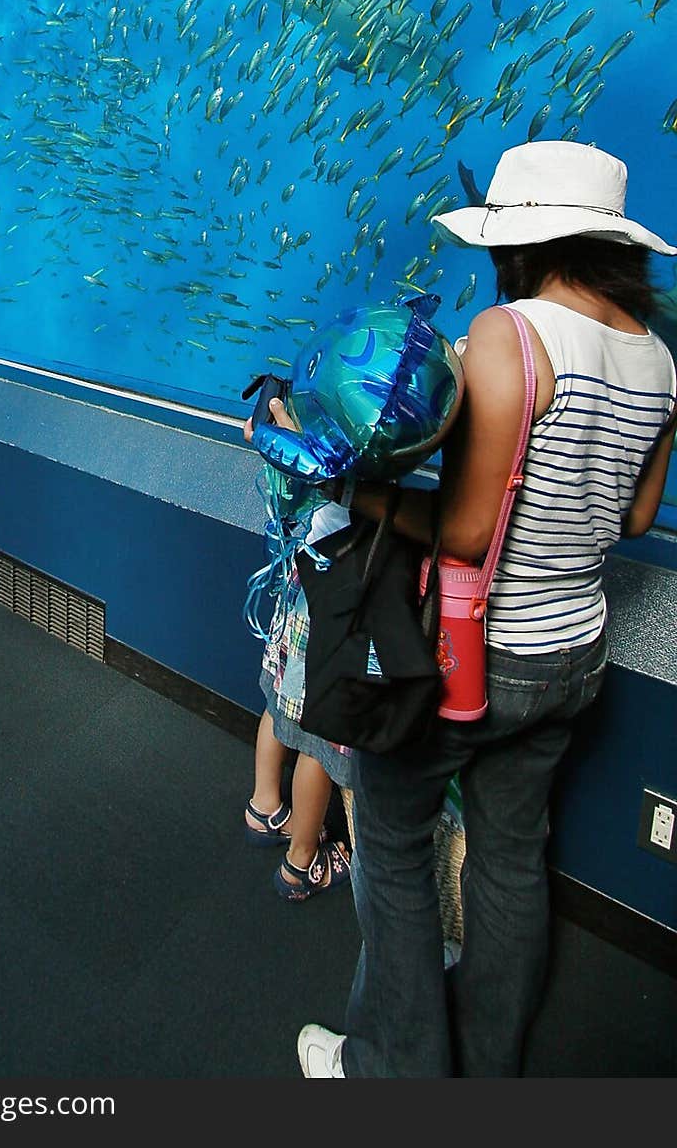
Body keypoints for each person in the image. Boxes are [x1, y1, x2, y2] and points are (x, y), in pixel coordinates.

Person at [295, 140, 677, 1077]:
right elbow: (630, 518)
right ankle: (489, 1059)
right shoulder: (660, 360)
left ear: (526, 240)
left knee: (389, 843)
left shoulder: (513, 336)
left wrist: (343, 484)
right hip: (574, 654)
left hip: (483, 657)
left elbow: (464, 534)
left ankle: (391, 1068)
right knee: (511, 855)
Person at [242, 420, 354, 900]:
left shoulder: (282, 462)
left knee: (277, 708)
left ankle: (263, 806)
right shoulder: (338, 477)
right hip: (326, 617)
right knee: (319, 745)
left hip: (294, 598)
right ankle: (301, 862)